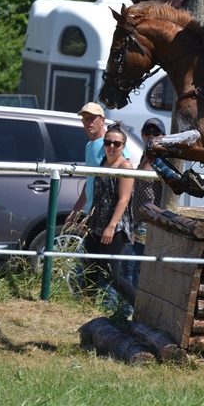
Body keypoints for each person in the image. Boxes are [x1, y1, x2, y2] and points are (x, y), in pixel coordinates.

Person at [84, 121, 136, 309]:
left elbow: (124, 199)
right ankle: (86, 307)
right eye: (108, 142)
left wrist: (112, 226)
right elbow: (97, 194)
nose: (111, 147)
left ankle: (137, 307)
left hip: (116, 227)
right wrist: (86, 215)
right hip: (97, 223)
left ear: (123, 146)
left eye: (116, 143)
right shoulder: (102, 163)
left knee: (111, 274)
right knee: (89, 267)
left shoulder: (125, 167)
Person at [130, 117, 167, 288]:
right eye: (147, 132)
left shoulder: (165, 159)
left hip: (152, 220)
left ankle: (134, 306)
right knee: (130, 266)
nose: (151, 135)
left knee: (136, 267)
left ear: (163, 135)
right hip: (137, 219)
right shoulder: (145, 155)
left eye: (156, 132)